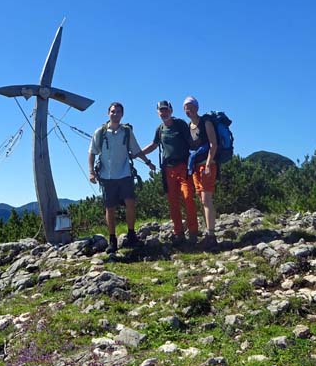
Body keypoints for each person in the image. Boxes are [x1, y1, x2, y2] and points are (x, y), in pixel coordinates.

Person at [88, 102, 156, 254]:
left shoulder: (126, 132)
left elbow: (136, 150)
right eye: (113, 111)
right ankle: (112, 239)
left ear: (122, 114)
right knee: (109, 208)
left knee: (130, 203)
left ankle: (131, 234)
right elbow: (92, 152)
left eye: (118, 112)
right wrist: (91, 172)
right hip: (106, 175)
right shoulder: (100, 132)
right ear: (108, 113)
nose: (115, 114)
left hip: (125, 173)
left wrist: (148, 163)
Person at [140, 100, 199, 246]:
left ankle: (193, 233)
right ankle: (178, 233)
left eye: (166, 110)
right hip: (168, 169)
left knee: (187, 199)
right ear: (158, 112)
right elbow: (154, 145)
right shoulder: (159, 129)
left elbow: (192, 142)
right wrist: (138, 153)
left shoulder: (180, 124)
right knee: (173, 203)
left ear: (171, 110)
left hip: (183, 167)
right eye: (161, 110)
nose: (163, 112)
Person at [183, 96, 218, 247]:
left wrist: (209, 164)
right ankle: (208, 232)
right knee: (201, 199)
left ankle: (211, 235)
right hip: (196, 166)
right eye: (186, 108)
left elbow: (213, 144)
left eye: (191, 107)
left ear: (197, 107)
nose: (188, 110)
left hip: (206, 164)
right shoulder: (189, 126)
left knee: (206, 199)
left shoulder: (206, 122)